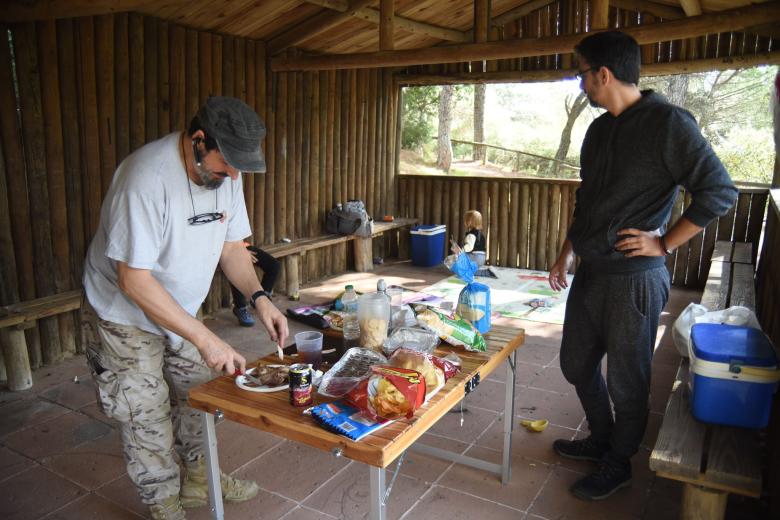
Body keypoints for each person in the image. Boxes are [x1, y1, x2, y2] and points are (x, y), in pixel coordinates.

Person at [547, 31, 737, 502]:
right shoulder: (598, 130)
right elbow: (587, 200)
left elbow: (719, 191)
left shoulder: (668, 124)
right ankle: (602, 437)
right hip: (591, 273)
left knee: (628, 381)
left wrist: (664, 243)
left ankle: (619, 463)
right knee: (575, 364)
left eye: (582, 74)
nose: (581, 84)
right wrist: (567, 250)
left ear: (603, 74)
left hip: (634, 281)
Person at [81, 96, 289, 519]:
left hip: (179, 306)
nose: (232, 175)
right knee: (146, 413)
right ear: (198, 141)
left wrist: (260, 298)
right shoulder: (145, 179)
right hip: (124, 313)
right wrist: (204, 337)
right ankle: (164, 504)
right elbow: (133, 280)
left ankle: (199, 479)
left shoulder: (228, 174)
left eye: (239, 167)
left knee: (202, 394)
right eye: (225, 164)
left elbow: (233, 248)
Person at [229, 243, 280, 327]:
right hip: (223, 253)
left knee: (274, 265)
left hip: (241, 247)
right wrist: (240, 253)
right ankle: (240, 308)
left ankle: (261, 299)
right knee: (237, 267)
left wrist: (242, 250)